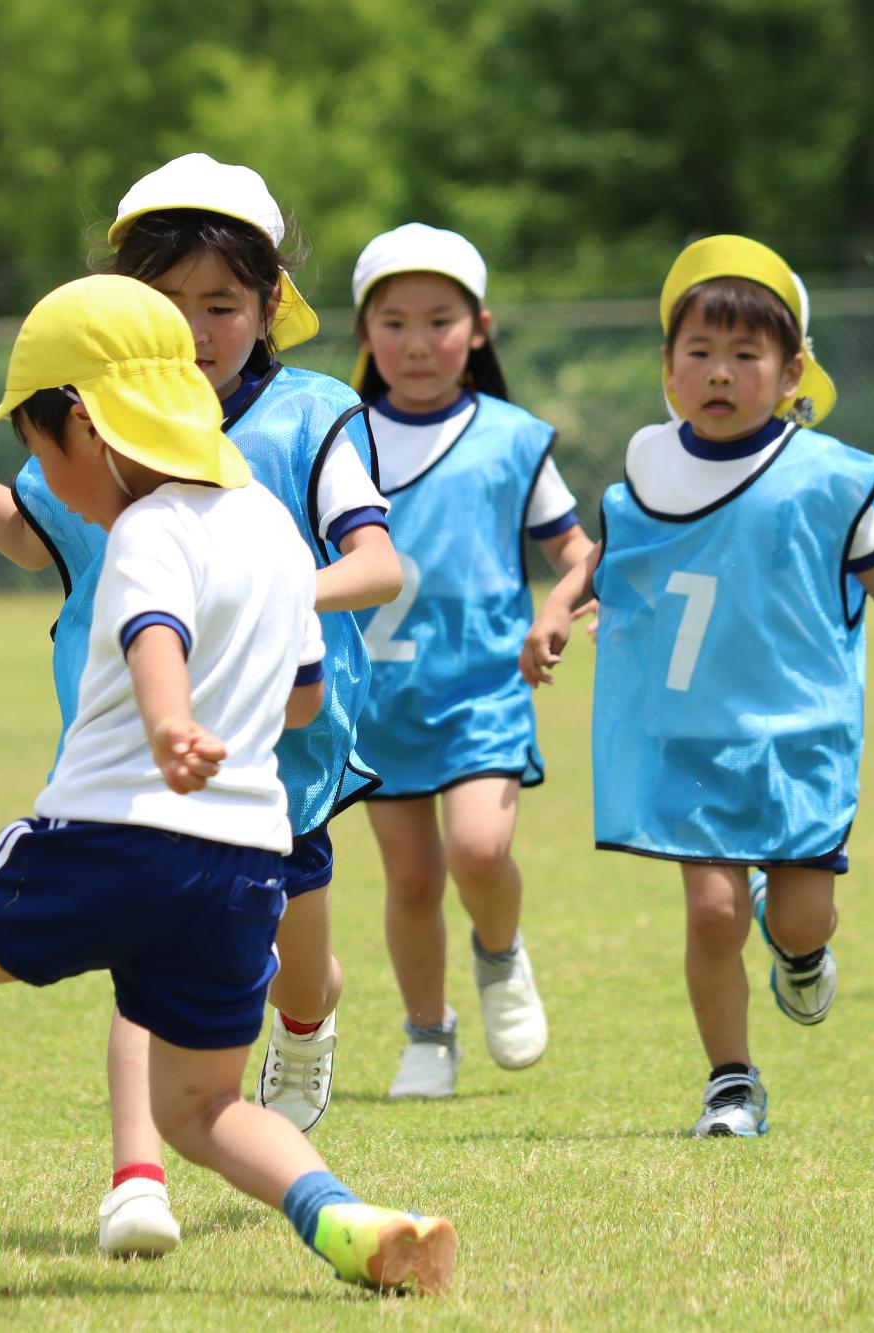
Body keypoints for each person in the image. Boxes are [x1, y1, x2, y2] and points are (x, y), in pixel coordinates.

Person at [0, 274, 453, 1302]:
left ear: (83, 421)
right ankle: (351, 1221)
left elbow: (149, 630)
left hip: (110, 833)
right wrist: (218, 716)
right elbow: (301, 701)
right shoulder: (262, 525)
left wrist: (167, 721)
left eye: (37, 450)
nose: (45, 480)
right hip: (248, 860)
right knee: (199, 1105)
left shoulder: (148, 527)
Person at [521, 237, 874, 1136]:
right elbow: (607, 554)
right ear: (669, 371)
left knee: (797, 919)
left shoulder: (823, 480)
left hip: (798, 732)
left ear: (792, 374)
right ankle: (732, 1079)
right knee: (711, 913)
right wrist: (559, 605)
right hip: (687, 730)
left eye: (745, 355)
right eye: (699, 354)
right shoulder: (648, 470)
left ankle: (799, 950)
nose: (720, 373)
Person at [347, 224, 595, 1098]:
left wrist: (567, 605)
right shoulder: (337, 439)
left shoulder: (512, 439)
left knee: (479, 853)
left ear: (480, 328)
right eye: (395, 322)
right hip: (377, 697)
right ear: (364, 333)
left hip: (485, 688)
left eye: (441, 320)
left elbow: (576, 549)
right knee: (411, 877)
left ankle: (500, 953)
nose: (418, 343)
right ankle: (427, 1034)